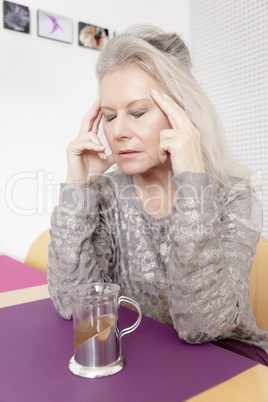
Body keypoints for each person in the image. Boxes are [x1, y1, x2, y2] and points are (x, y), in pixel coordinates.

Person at [47, 24, 268, 365]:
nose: (118, 131)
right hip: (145, 357)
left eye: (137, 113)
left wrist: (194, 184)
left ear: (184, 114)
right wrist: (79, 187)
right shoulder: (106, 195)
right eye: (109, 116)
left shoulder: (235, 196)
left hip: (230, 360)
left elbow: (201, 327)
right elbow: (70, 304)